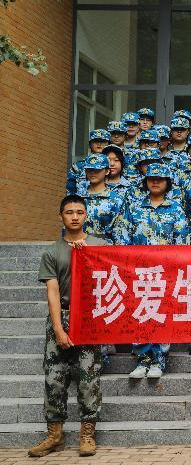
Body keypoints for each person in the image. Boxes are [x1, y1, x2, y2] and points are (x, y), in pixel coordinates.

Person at [28, 195, 107, 458]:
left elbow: (107, 282)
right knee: (54, 379)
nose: (74, 217)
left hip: (89, 317)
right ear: (61, 216)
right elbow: (52, 292)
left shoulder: (99, 246)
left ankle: (87, 434)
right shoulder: (52, 252)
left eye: (79, 212)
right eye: (69, 212)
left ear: (86, 215)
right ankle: (55, 435)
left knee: (88, 378)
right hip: (61, 315)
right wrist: (58, 329)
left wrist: (88, 257)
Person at [113, 163, 189, 378]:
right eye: (151, 178)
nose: (155, 182)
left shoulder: (175, 209)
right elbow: (122, 236)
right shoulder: (134, 207)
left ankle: (159, 360)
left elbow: (182, 242)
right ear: (145, 182)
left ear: (167, 183)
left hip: (166, 273)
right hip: (139, 272)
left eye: (160, 178)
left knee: (161, 314)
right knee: (141, 313)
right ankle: (142, 359)